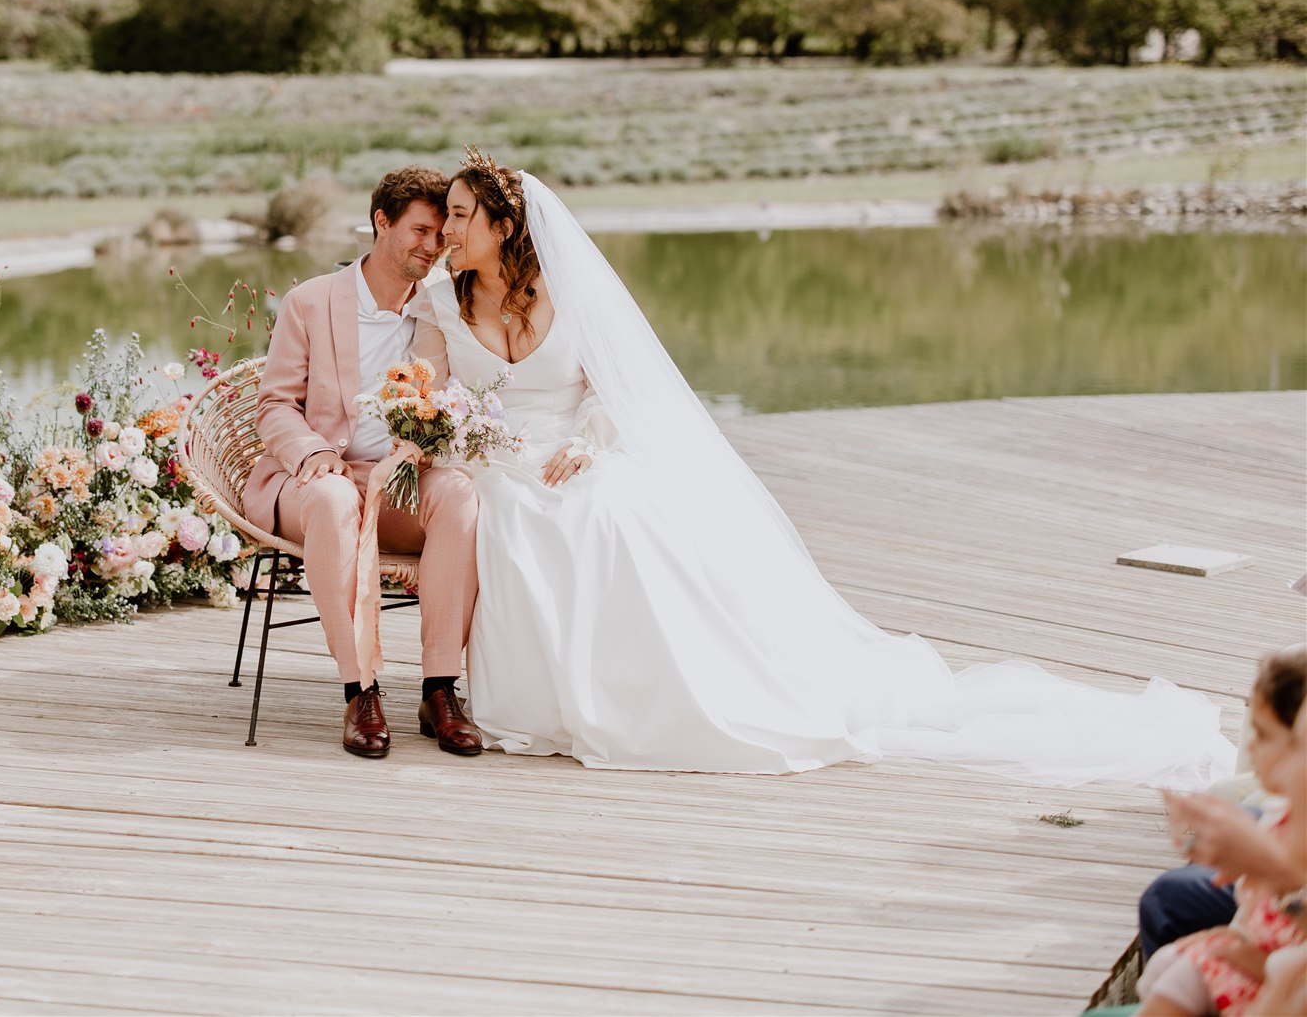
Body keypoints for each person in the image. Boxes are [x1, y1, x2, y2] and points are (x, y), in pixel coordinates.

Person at [405, 147, 1237, 784]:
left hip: (574, 447)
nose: (447, 232)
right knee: (513, 517)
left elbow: (613, 389)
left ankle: (655, 686)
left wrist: (591, 441)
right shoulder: (440, 301)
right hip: (494, 460)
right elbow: (430, 392)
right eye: (446, 217)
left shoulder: (569, 292)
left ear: (505, 227)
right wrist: (446, 431)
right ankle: (544, 695)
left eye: (462, 216)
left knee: (612, 506)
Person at [245, 166, 483, 759]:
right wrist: (315, 451)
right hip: (315, 480)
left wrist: (422, 449)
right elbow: (274, 405)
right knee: (333, 500)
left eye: (440, 235)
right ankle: (360, 691)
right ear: (381, 221)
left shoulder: (440, 307)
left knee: (458, 494)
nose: (433, 246)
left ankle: (439, 689)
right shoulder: (310, 301)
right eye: (420, 231)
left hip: (399, 478)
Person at [1136, 648, 1307, 1016]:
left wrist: (1270, 869)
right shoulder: (1282, 819)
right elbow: (1251, 915)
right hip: (1267, 963)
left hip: (1271, 975)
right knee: (1171, 963)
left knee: (1170, 918)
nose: (1251, 746)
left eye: (1298, 747)